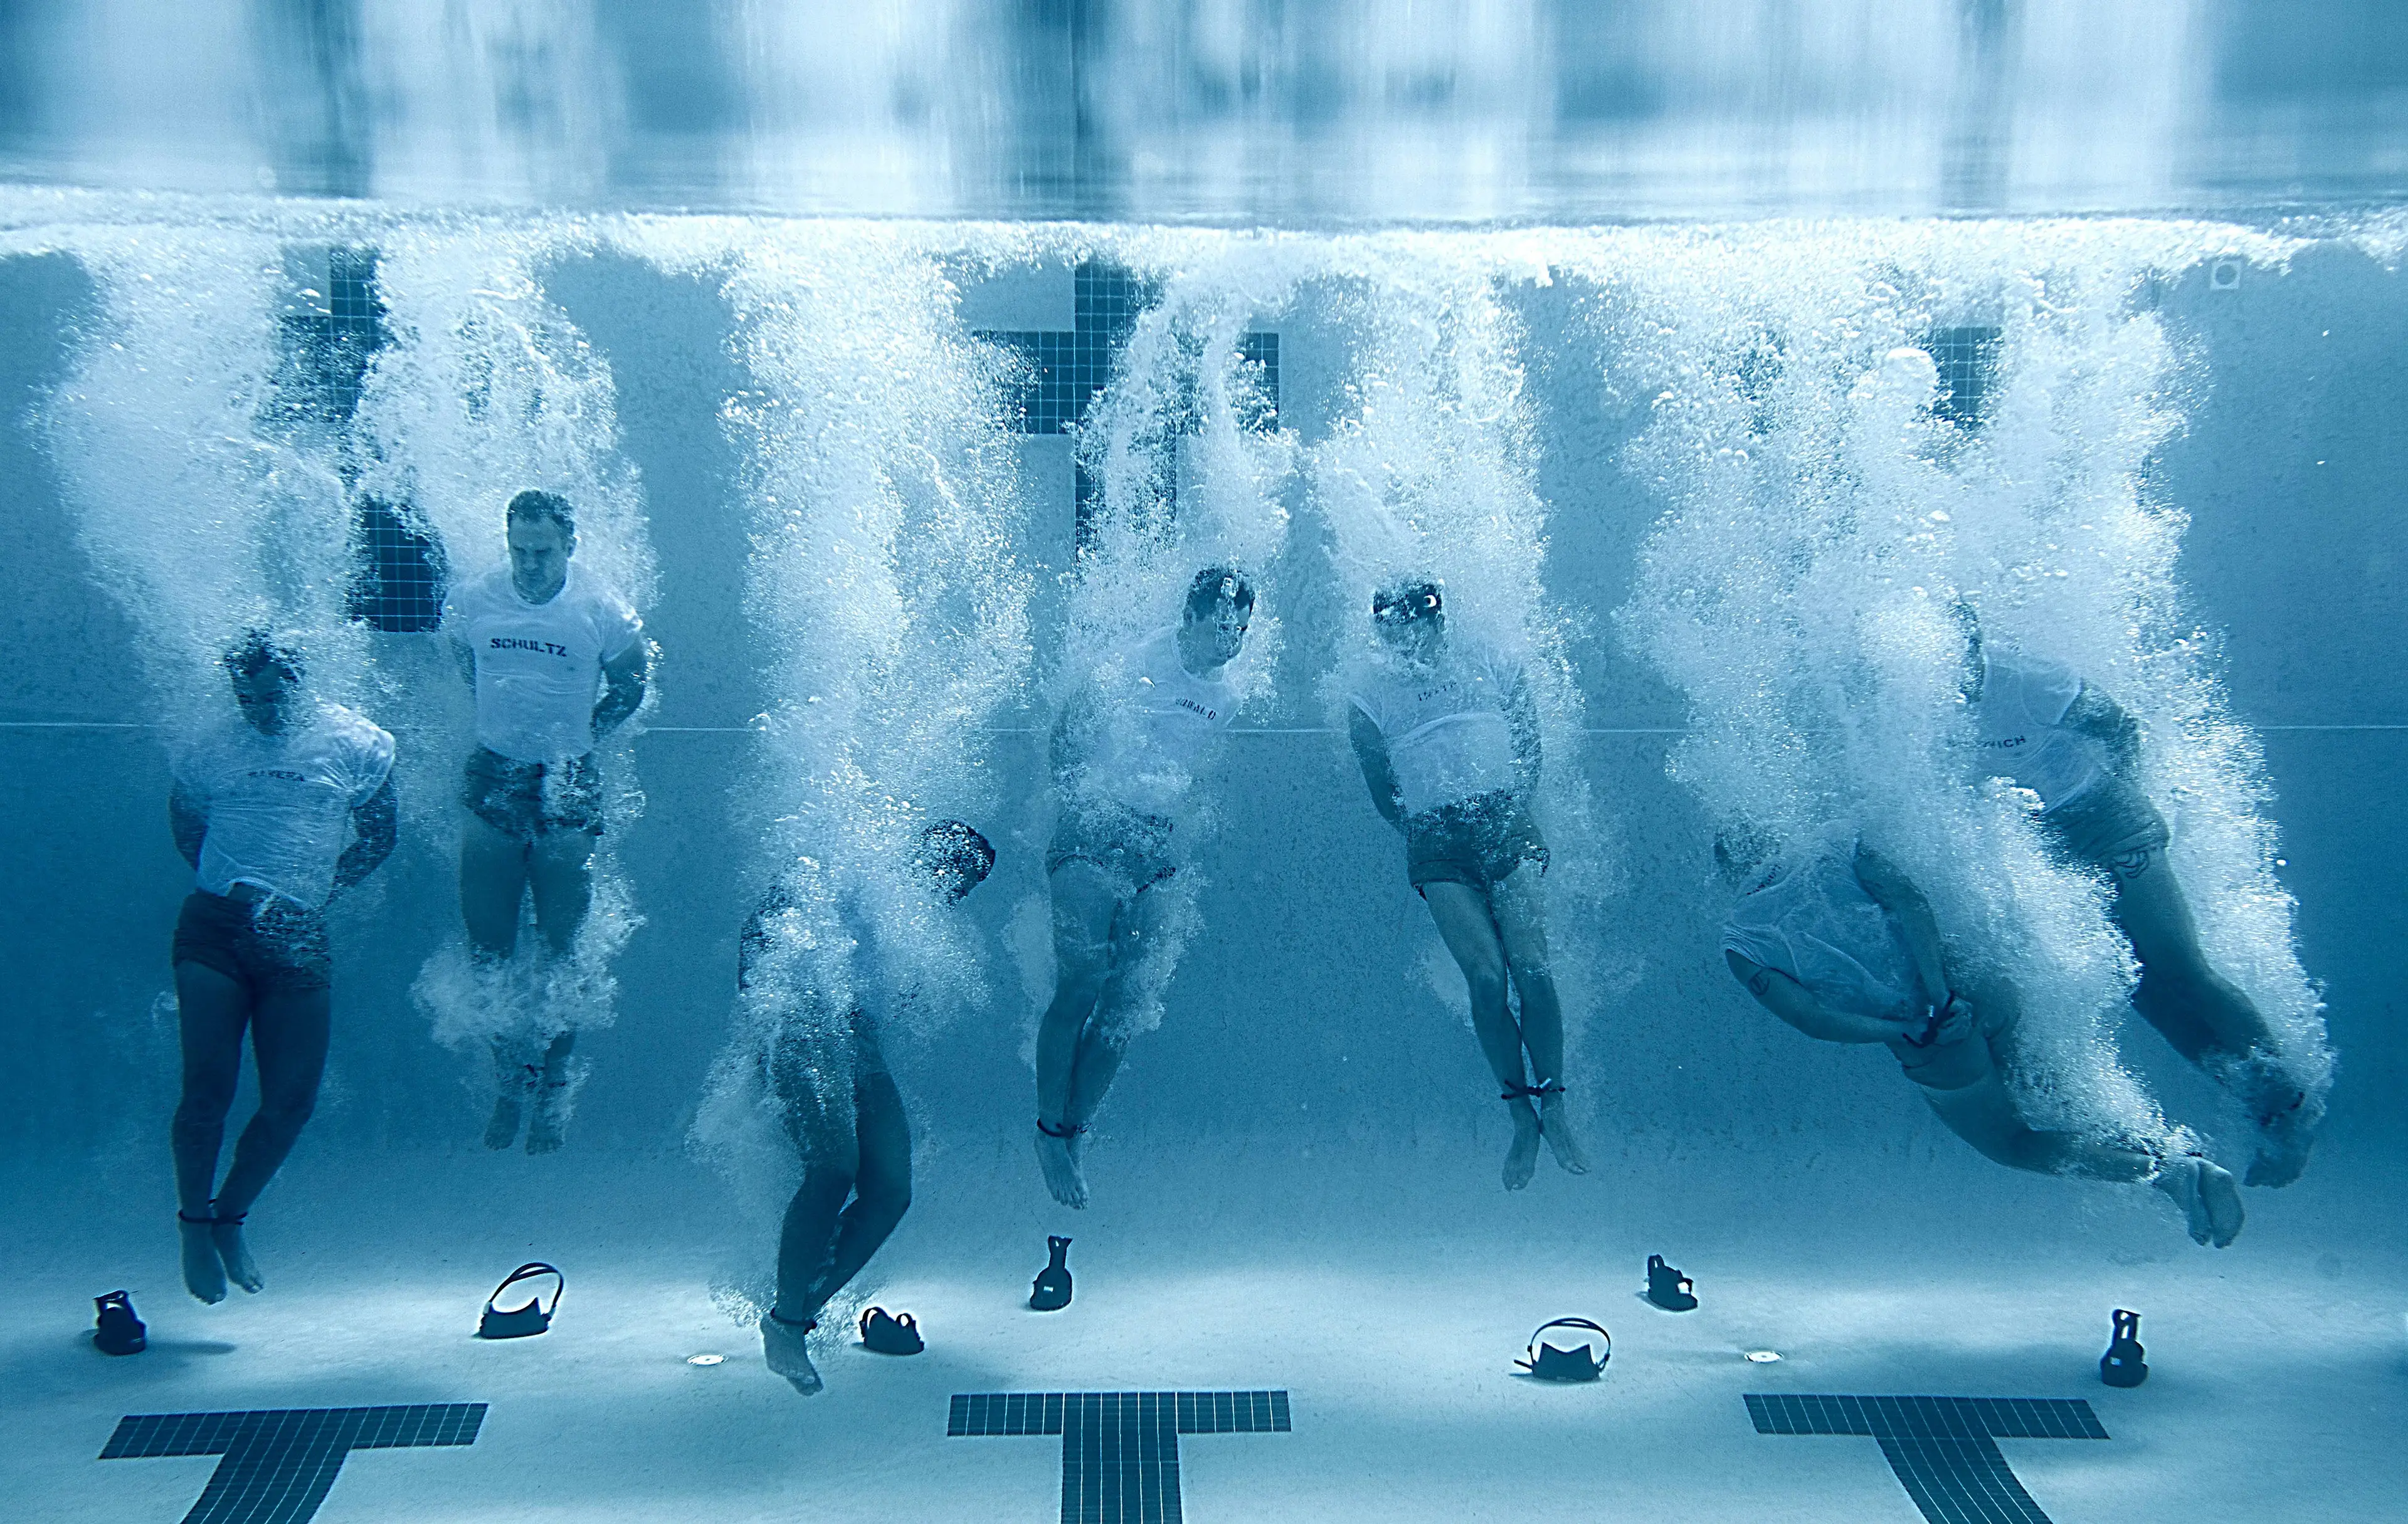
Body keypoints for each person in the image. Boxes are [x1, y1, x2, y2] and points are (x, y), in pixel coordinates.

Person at [1721, 822, 2246, 1247]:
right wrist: (1944, 993)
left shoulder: (1743, 940)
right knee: (2065, 1101)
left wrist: (1911, 1022)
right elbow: (1912, 903)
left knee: (2014, 1143)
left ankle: (2171, 1176)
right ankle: (2183, 1157)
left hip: (1932, 1041)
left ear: (1729, 872)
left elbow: (1812, 1018)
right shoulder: (1840, 843)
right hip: (1979, 986)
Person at [1953, 603, 2318, 1185]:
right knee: (2145, 992)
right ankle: (2259, 1102)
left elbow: (2118, 725)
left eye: (1958, 656)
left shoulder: (2024, 678)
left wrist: (2125, 798)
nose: (1951, 674)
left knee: (2182, 970)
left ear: (1972, 643)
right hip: (2052, 841)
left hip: (2107, 822)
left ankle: (2293, 1116)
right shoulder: (1924, 701)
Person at [168, 632, 397, 1303]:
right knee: (206, 1091)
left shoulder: (355, 742)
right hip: (214, 928)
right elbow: (186, 828)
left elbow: (381, 837)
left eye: (273, 697)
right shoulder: (211, 745)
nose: (261, 711)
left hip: (296, 931)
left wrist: (316, 891)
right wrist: (234, 888)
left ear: (299, 684)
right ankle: (192, 1224)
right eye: (247, 699)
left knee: (291, 1102)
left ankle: (230, 1216)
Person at [1346, 579, 1590, 1190]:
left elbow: (1529, 738)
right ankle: (1520, 1115)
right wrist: (1425, 827)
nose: (1411, 642)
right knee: (1487, 979)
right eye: (1396, 632)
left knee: (1532, 967)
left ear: (1439, 624)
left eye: (1420, 628)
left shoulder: (1489, 659)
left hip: (1503, 818)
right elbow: (1382, 787)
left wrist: (1512, 806)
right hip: (1436, 837)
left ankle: (1554, 1104)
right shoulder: (1368, 697)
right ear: (1384, 634)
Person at [738, 820, 996, 1395]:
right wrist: (766, 1019)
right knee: (832, 1168)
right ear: (925, 851)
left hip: (858, 1043)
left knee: (891, 1190)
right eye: (953, 870)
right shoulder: (849, 873)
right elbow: (761, 924)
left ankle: (794, 1314)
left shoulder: (915, 927)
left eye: (965, 886)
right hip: (801, 1024)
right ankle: (786, 1319)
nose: (952, 890)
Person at [1033, 567, 1254, 1208]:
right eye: (1220, 623)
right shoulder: (1131, 662)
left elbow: (1187, 771)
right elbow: (1067, 734)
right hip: (1092, 827)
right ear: (1189, 617)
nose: (1231, 637)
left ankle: (1070, 1130)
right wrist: (1077, 808)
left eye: (1241, 626)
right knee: (1080, 983)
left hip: (1153, 844)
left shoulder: (1230, 696)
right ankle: (1048, 1132)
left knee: (1129, 1004)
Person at [443, 489, 650, 1153]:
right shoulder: (475, 599)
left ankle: (555, 1080)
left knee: (563, 948)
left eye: (543, 552)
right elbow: (465, 661)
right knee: (489, 946)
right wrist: (502, 720)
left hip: (568, 779)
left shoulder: (602, 611)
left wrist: (585, 739)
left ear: (569, 547)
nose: (530, 565)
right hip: (495, 771)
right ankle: (510, 1077)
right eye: (519, 551)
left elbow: (631, 685)